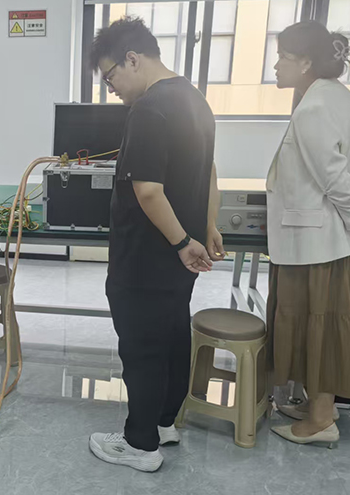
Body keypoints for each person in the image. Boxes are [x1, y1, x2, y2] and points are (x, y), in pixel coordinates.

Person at [87, 18, 222, 472]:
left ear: (132, 59)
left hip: (147, 256)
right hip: (179, 260)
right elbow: (210, 172)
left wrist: (182, 241)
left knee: (142, 347)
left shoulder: (148, 109)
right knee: (171, 335)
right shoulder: (195, 100)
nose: (111, 89)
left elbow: (147, 191)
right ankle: (164, 423)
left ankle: (140, 444)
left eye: (110, 77)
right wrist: (207, 226)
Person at [266, 21, 350, 445]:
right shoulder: (342, 98)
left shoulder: (314, 107)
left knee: (318, 327)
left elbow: (334, 177)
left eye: (283, 57)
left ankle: (319, 421)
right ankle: (321, 406)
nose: (276, 65)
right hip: (337, 241)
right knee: (326, 326)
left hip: (318, 244)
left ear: (306, 62)